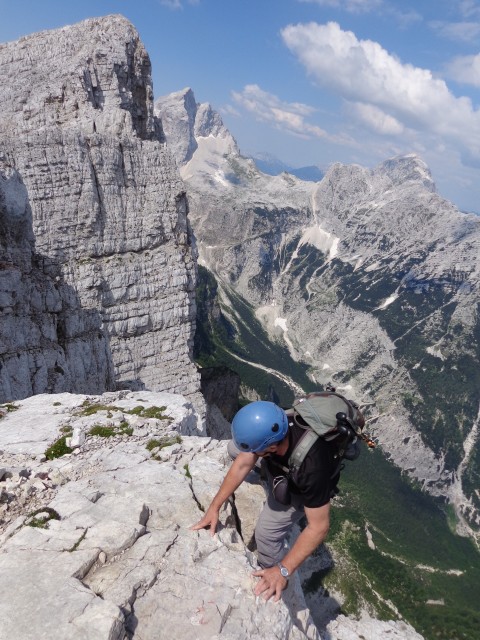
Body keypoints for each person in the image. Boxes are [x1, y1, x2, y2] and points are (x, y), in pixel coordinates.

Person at [190, 400, 339, 603]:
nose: (251, 453)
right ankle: (270, 475)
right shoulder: (278, 426)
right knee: (235, 449)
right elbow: (243, 462)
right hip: (282, 461)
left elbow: (319, 527)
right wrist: (214, 507)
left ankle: (277, 576)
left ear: (271, 447)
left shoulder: (311, 470)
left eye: (257, 450)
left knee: (266, 536)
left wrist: (282, 570)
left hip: (297, 486)